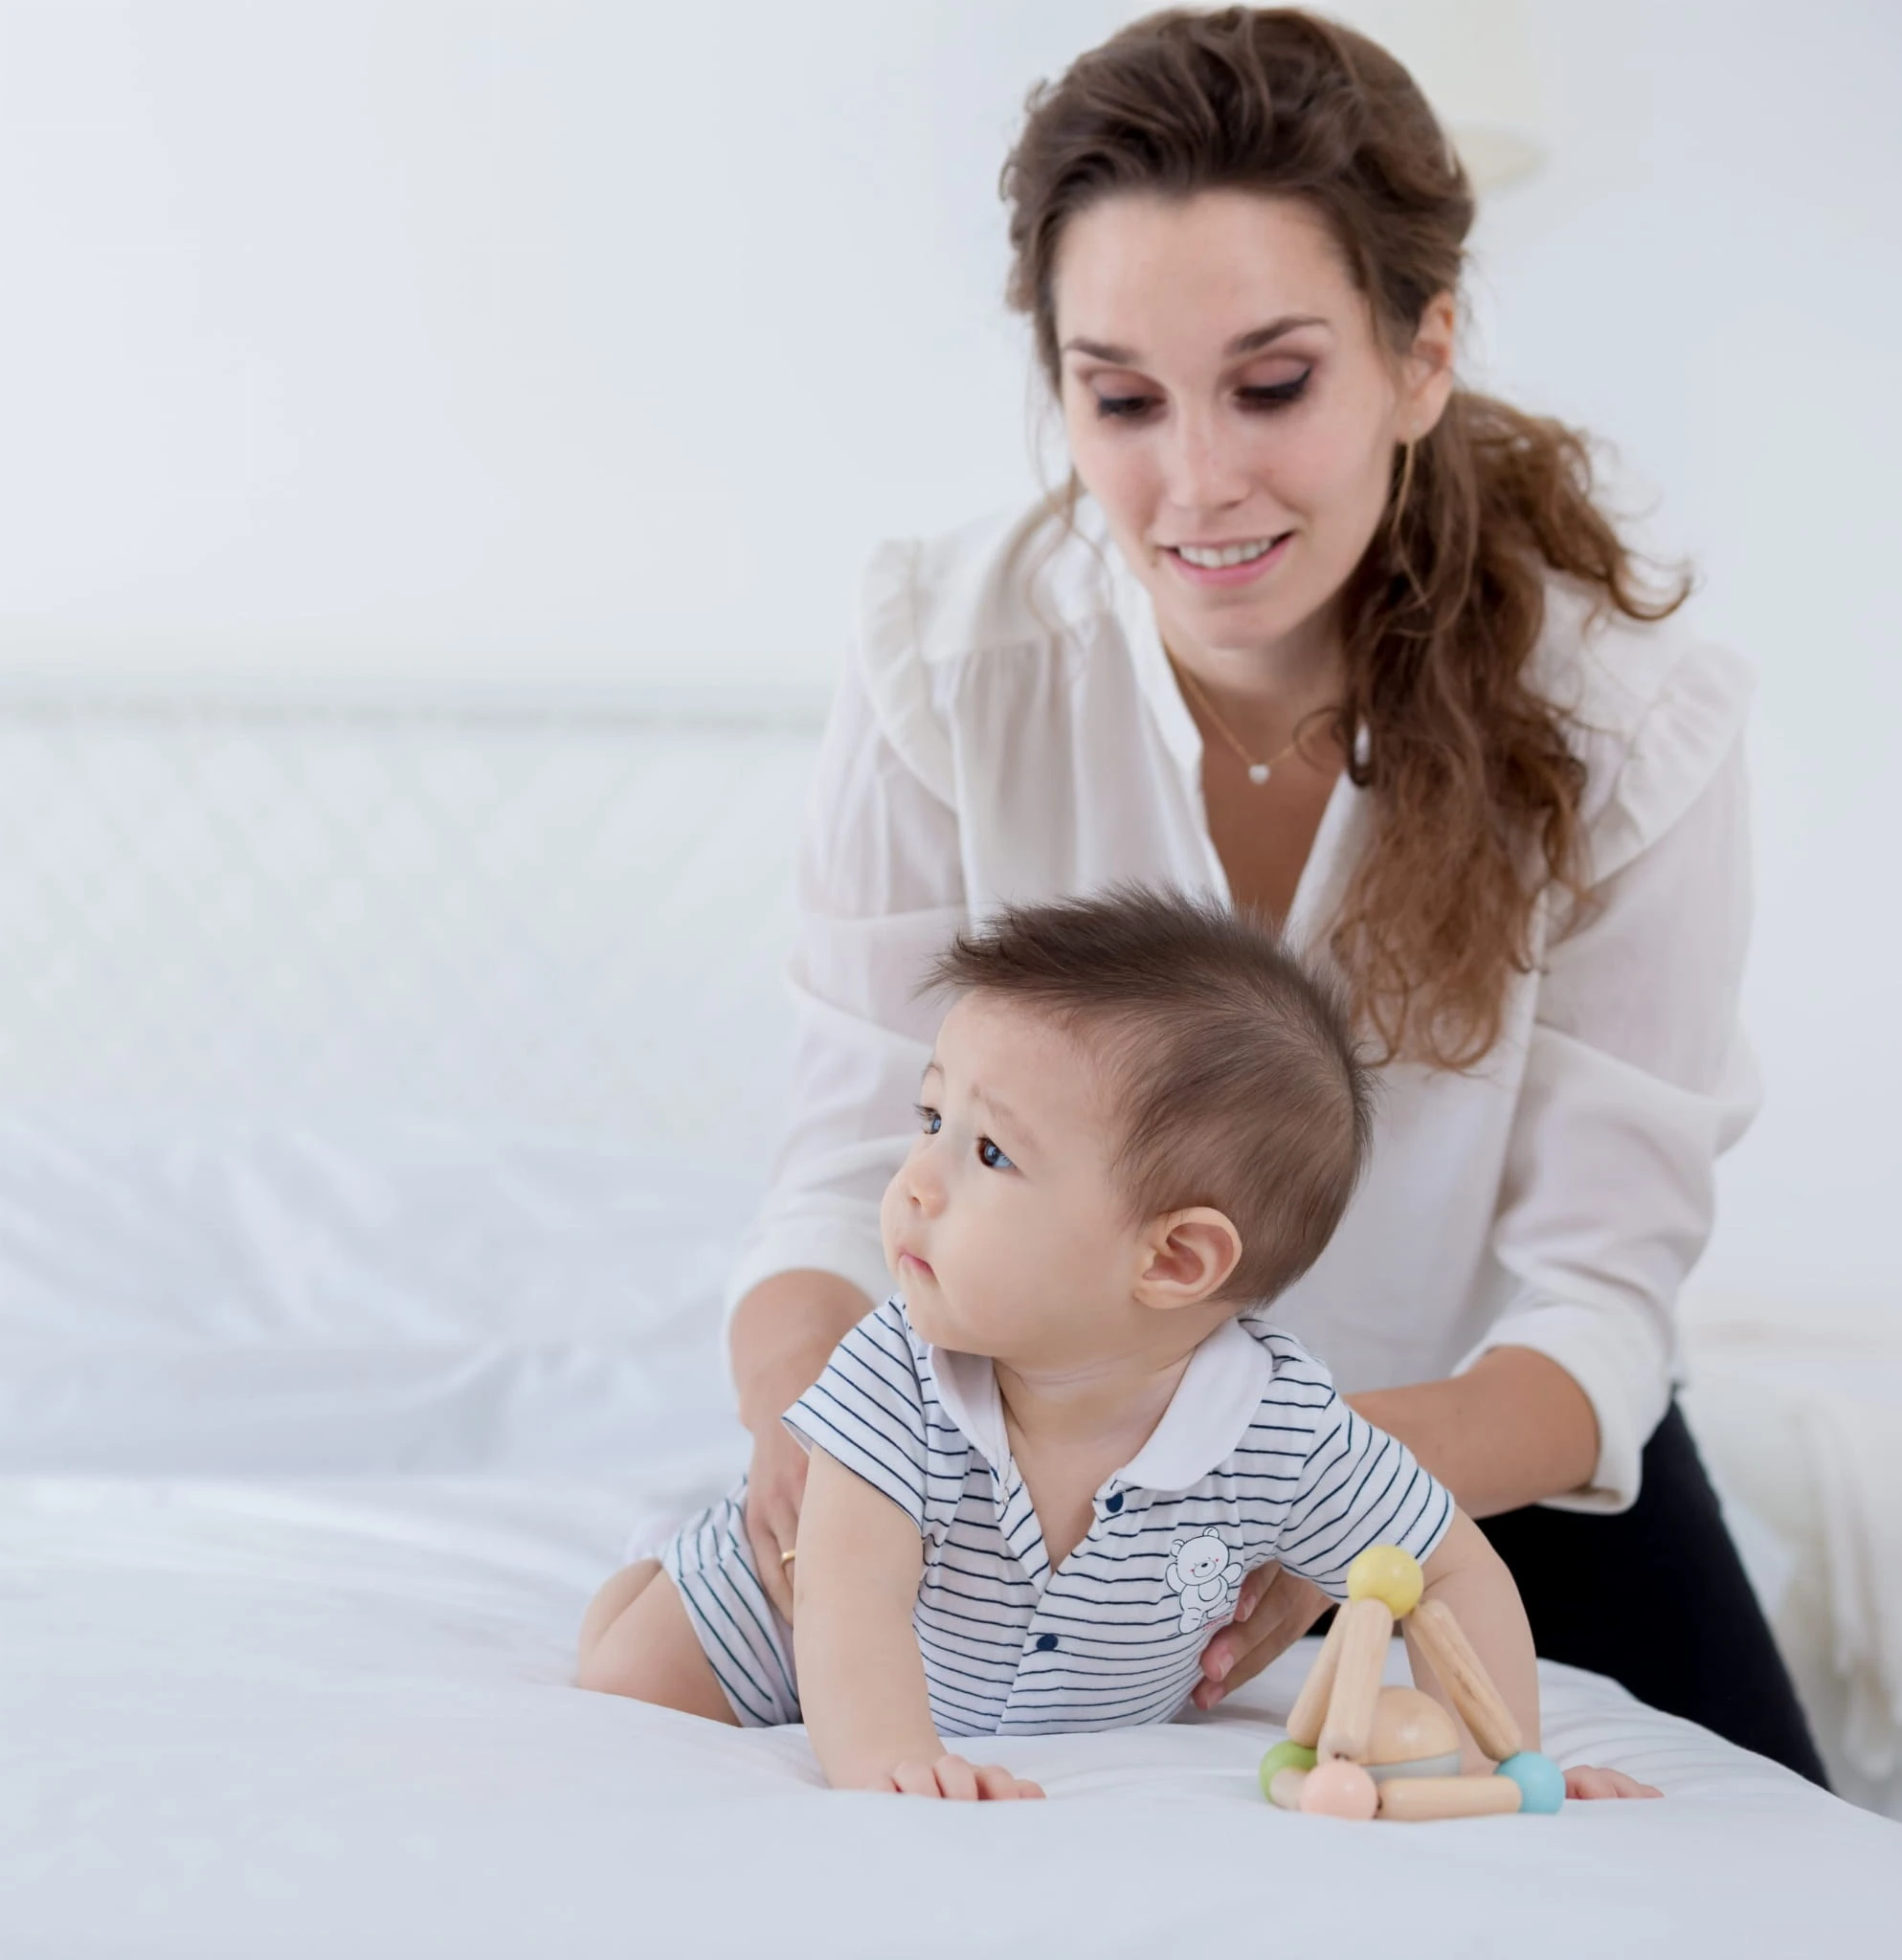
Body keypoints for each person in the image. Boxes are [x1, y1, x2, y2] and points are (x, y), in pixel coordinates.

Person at [716, 8, 1824, 1780]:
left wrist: (1295, 1485)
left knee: (1758, 1870)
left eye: (1273, 384)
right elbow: (847, 1177)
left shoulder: (1631, 722)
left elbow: (1595, 1305)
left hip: (1472, 1470)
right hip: (1010, 1479)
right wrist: (826, 1443)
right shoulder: (943, 655)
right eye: (1121, 399)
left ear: (1419, 353)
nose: (1198, 482)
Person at [578, 891, 1657, 1804]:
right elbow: (851, 1594)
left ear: (1176, 1259)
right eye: (931, 1118)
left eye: (990, 1152)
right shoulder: (895, 1367)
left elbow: (1447, 1565)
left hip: (1054, 1698)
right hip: (786, 1615)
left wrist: (1499, 1760)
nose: (914, 1182)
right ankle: (653, 1567)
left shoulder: (1282, 1429)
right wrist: (893, 1765)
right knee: (627, 1675)